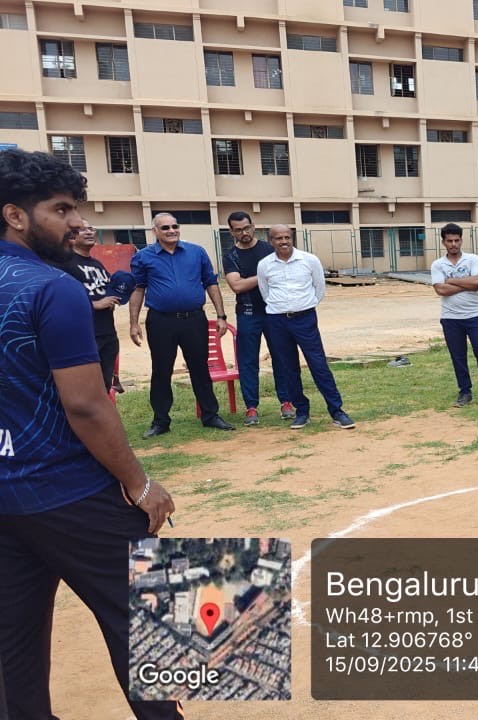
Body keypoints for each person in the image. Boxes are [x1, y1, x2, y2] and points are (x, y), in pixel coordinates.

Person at [0, 148, 180, 720]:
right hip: (69, 489)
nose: (76, 221)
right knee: (156, 621)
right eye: (61, 208)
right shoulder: (51, 287)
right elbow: (85, 405)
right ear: (15, 216)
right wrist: (140, 482)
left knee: (13, 649)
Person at [128, 212, 234, 437]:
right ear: (155, 231)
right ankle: (161, 421)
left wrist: (221, 315)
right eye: (165, 228)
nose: (171, 231)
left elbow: (211, 283)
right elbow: (138, 289)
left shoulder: (196, 252)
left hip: (194, 320)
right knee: (161, 371)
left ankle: (210, 415)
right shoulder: (144, 257)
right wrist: (133, 323)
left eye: (175, 226)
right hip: (160, 322)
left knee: (200, 368)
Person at [257, 225, 356, 430]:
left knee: (318, 364)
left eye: (287, 237)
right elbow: (265, 293)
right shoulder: (264, 265)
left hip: (305, 319)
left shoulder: (309, 260)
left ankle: (337, 410)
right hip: (277, 321)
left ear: (292, 238)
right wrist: (283, 309)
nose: (284, 241)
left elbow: (319, 289)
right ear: (270, 241)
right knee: (288, 367)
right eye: (278, 238)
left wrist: (304, 306)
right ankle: (301, 411)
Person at [222, 211, 294, 425]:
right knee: (247, 361)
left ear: (253, 226)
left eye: (246, 228)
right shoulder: (230, 257)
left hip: (275, 311)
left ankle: (286, 402)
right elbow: (237, 285)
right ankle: (251, 407)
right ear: (231, 232)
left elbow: (284, 274)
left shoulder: (269, 249)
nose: (243, 233)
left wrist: (252, 279)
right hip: (247, 313)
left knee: (281, 357)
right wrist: (265, 275)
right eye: (238, 230)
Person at [432, 223, 478, 408]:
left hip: (475, 315)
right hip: (450, 318)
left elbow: (477, 283)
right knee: (458, 356)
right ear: (443, 242)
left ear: (461, 240)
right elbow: (440, 289)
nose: (454, 244)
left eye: (457, 240)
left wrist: (451, 281)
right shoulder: (438, 264)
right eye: (450, 241)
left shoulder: (472, 259)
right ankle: (465, 392)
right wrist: (464, 282)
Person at [58, 224, 120, 390]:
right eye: (83, 229)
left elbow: (107, 289)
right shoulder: (64, 263)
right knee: (85, 388)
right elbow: (59, 298)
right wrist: (94, 304)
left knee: (105, 385)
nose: (89, 232)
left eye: (91, 229)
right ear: (72, 236)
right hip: (84, 335)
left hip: (107, 333)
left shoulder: (97, 264)